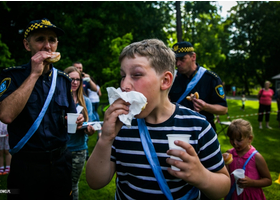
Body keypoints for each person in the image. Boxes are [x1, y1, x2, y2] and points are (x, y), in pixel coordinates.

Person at [86, 39, 230, 199]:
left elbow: (223, 188)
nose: (124, 85)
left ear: (165, 81)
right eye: (122, 76)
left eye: (137, 75)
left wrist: (202, 176)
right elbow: (95, 182)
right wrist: (105, 139)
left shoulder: (198, 126)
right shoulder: (121, 126)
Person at [0, 18, 84, 200]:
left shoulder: (63, 80)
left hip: (60, 162)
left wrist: (75, 122)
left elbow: (71, 124)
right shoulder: (13, 76)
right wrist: (35, 74)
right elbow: (5, 115)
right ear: (27, 45)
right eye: (40, 39)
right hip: (27, 165)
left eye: (52, 40)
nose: (47, 46)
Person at [169, 41, 228, 131]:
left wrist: (205, 106)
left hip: (203, 130)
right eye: (175, 60)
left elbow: (223, 109)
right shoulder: (172, 78)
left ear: (193, 57)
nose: (177, 64)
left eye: (182, 59)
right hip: (176, 129)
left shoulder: (211, 79)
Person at [64, 66, 95, 200]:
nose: (75, 82)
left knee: (73, 185)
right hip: (60, 148)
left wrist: (89, 130)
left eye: (77, 79)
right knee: (58, 184)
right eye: (72, 79)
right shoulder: (59, 100)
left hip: (78, 149)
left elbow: (90, 126)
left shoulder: (86, 101)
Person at [223, 119, 272, 200]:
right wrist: (223, 163)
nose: (234, 143)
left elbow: (268, 180)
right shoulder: (229, 154)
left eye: (239, 140)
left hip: (251, 196)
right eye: (231, 139)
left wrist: (251, 182)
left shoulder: (256, 157)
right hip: (233, 195)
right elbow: (226, 175)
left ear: (249, 138)